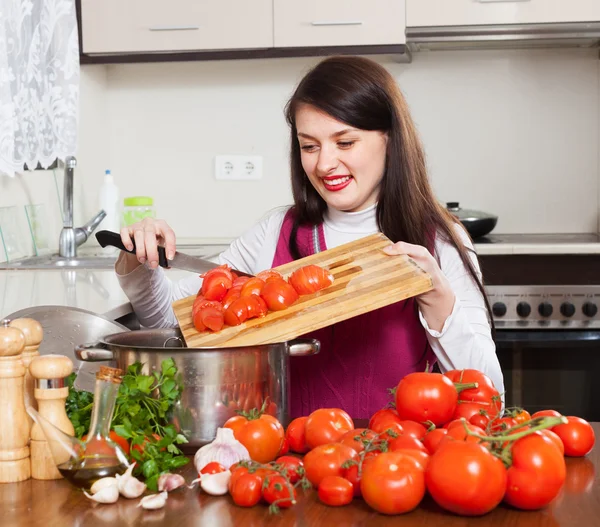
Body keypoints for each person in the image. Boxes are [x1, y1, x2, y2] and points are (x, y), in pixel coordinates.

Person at [116, 56, 504, 419]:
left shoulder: (440, 239)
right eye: (309, 146)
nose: (324, 163)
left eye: (345, 142)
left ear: (390, 138)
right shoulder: (276, 232)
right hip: (286, 472)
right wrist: (138, 262)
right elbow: (176, 324)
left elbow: (491, 399)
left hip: (396, 469)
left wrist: (439, 300)